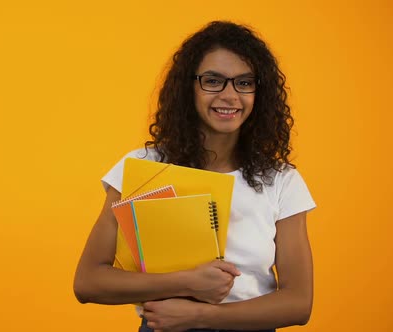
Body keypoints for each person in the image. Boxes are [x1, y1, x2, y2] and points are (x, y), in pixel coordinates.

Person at [73, 21, 315, 332]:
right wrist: (187, 282)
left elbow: (298, 303)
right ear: (189, 87)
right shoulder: (143, 167)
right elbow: (89, 281)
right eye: (213, 81)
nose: (230, 96)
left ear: (260, 92)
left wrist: (200, 315)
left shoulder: (281, 180)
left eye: (244, 83)